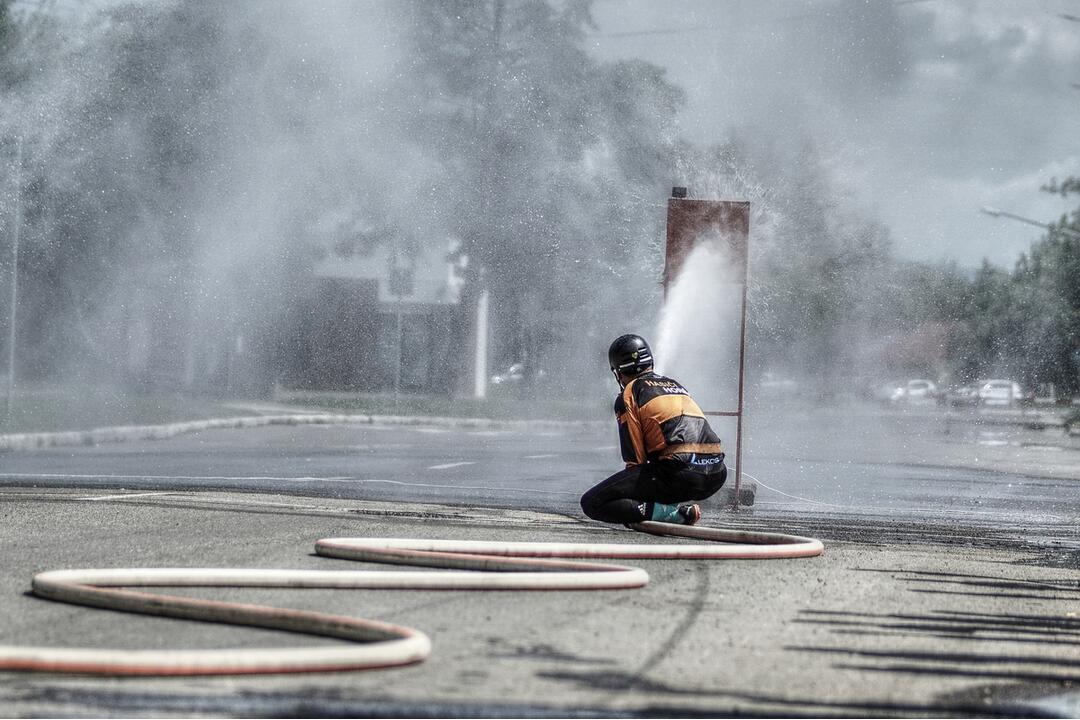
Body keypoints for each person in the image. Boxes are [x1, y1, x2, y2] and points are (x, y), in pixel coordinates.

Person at [580, 334, 727, 526]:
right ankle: (672, 510)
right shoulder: (676, 385)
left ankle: (675, 515)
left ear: (618, 372)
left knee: (592, 502)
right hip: (716, 475)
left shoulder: (630, 392)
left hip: (680, 474)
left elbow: (636, 460)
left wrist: (632, 506)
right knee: (659, 475)